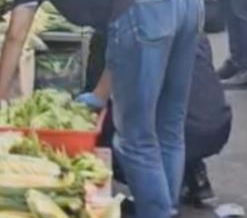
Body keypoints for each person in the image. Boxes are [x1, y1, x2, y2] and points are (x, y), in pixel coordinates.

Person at [0, 0, 202, 218]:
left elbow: (16, 34)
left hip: (148, 5)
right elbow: (122, 46)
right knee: (168, 123)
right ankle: (162, 209)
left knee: (135, 132)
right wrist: (98, 97)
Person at [86, 34, 231, 208]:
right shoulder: (191, 19)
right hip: (213, 127)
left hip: (173, 131)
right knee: (177, 114)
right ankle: (193, 173)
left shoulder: (117, 31)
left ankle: (153, 200)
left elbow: (97, 105)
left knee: (109, 138)